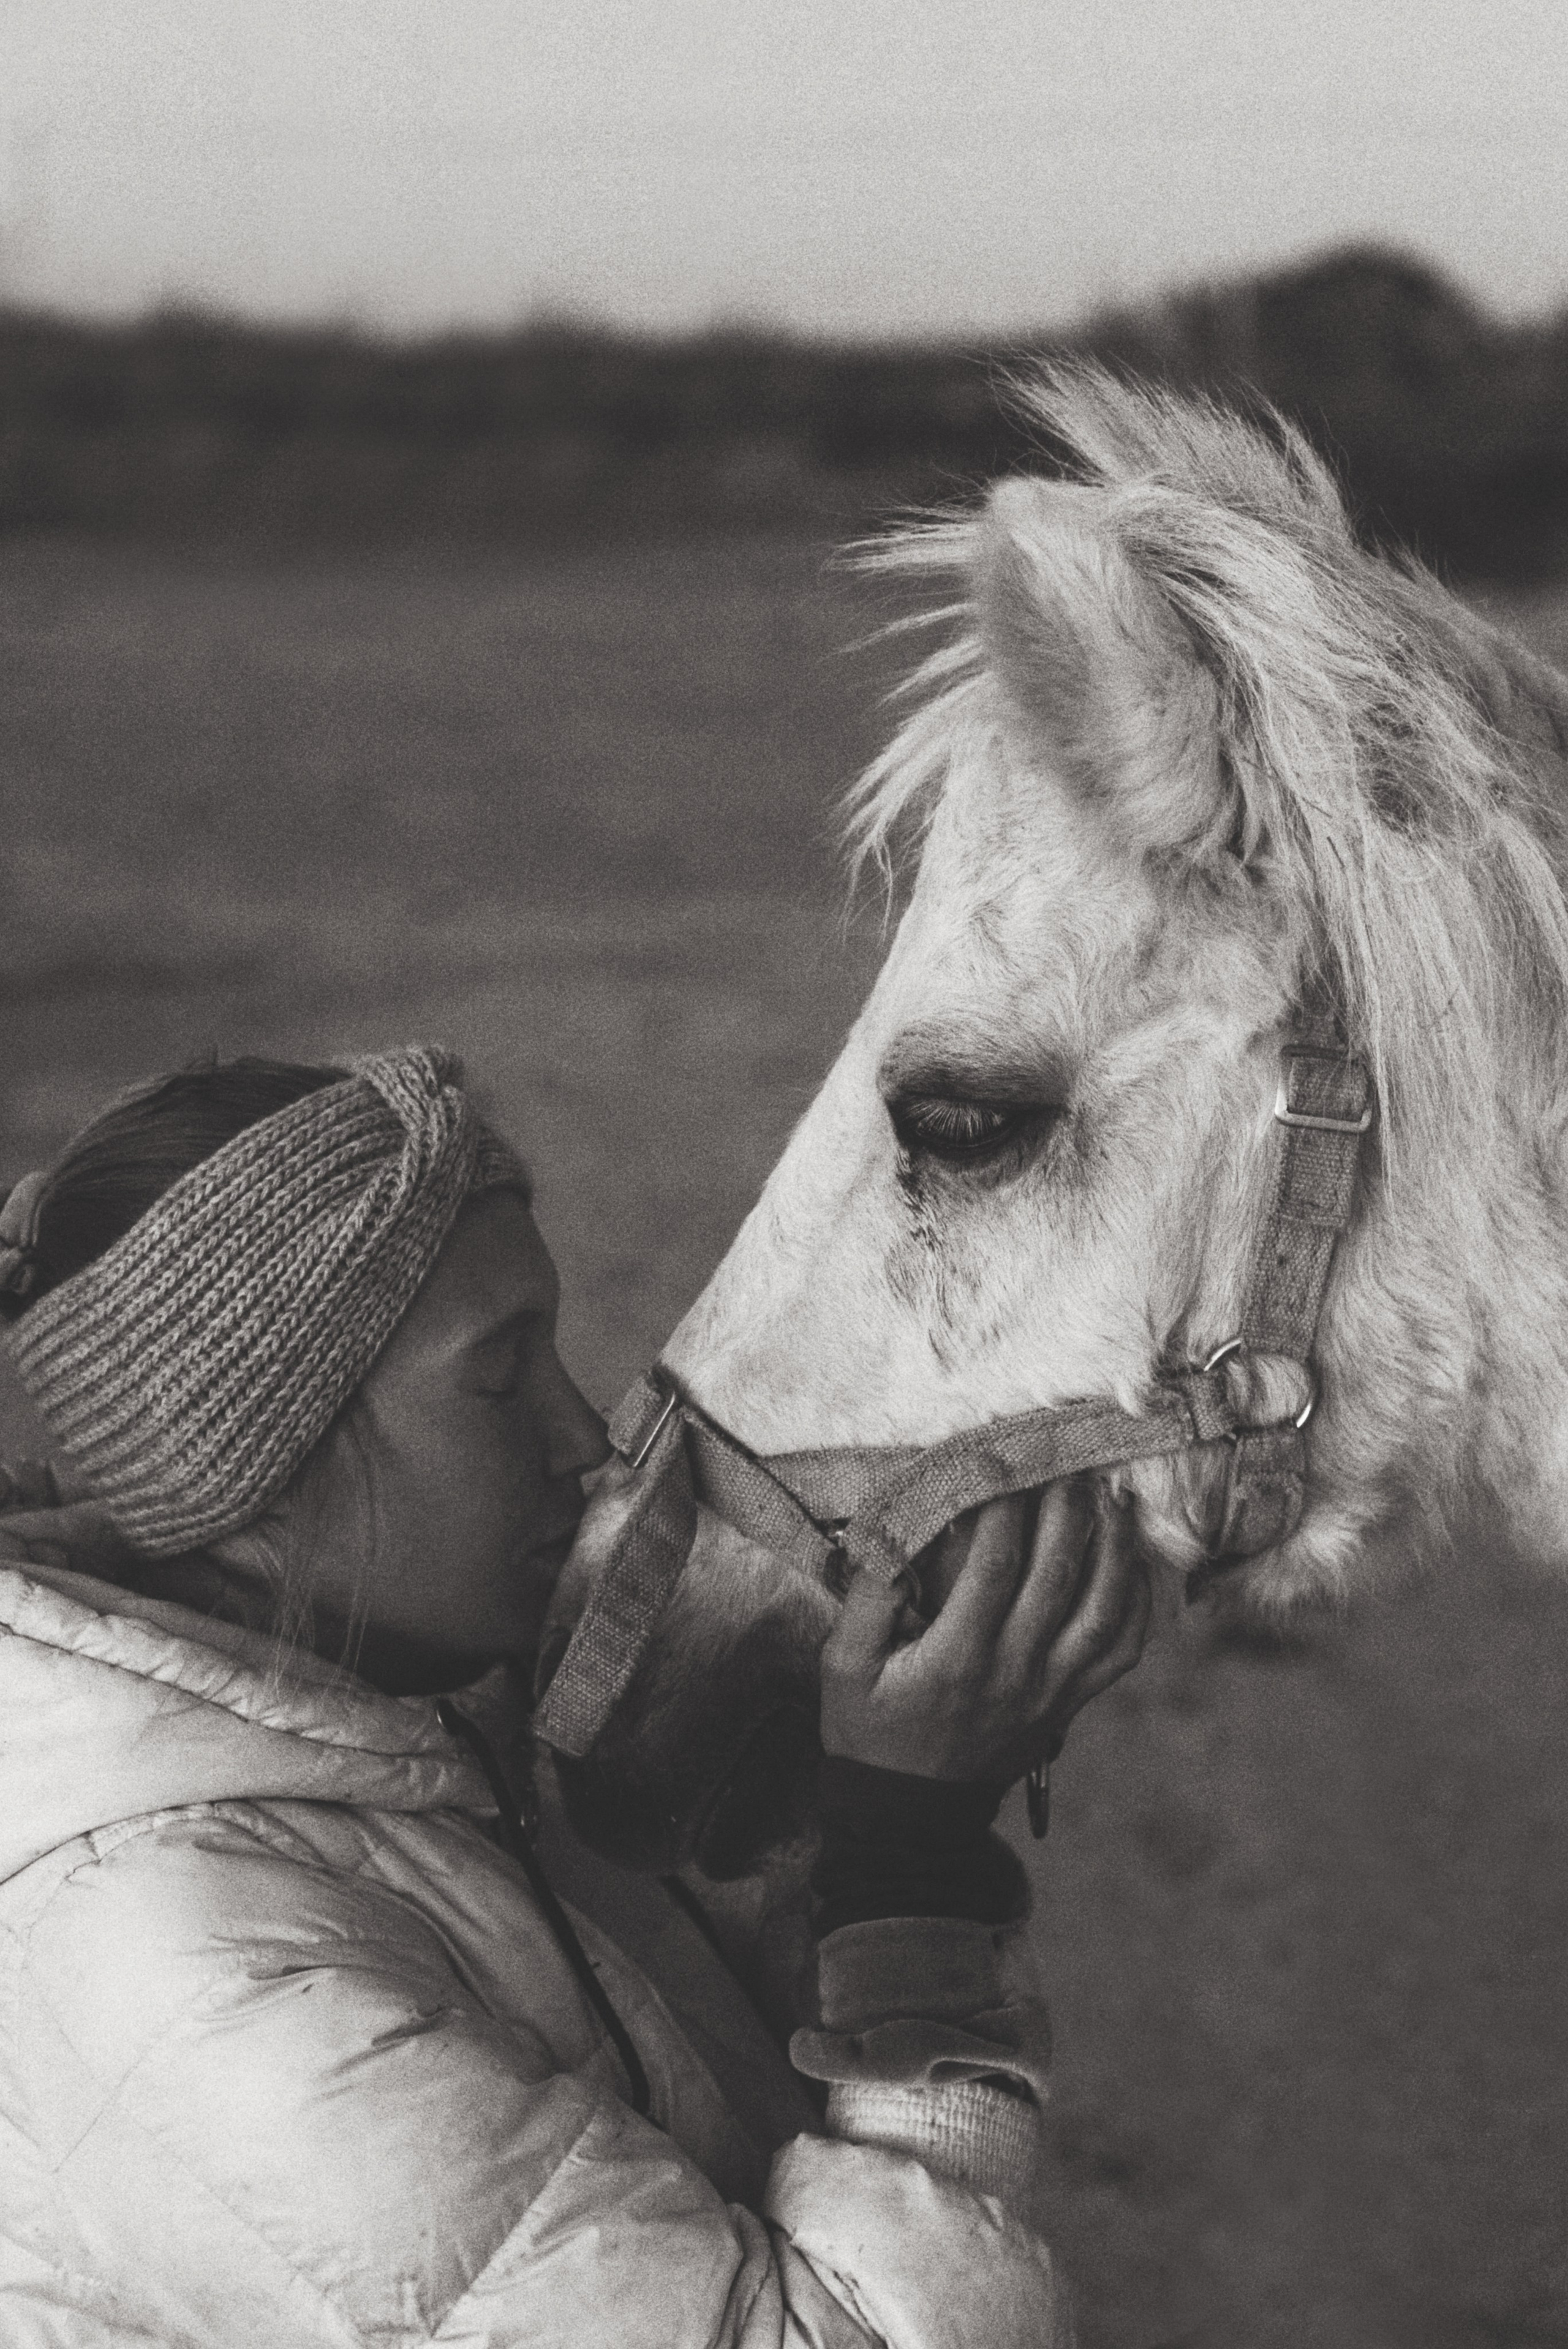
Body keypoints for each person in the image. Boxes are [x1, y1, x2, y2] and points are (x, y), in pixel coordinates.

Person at [0, 1045, 1150, 2348]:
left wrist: (875, 1775)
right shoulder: (191, 1975)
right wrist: (912, 1867)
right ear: (256, 1463)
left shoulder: (416, 1712)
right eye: (498, 1378)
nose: (584, 1437)